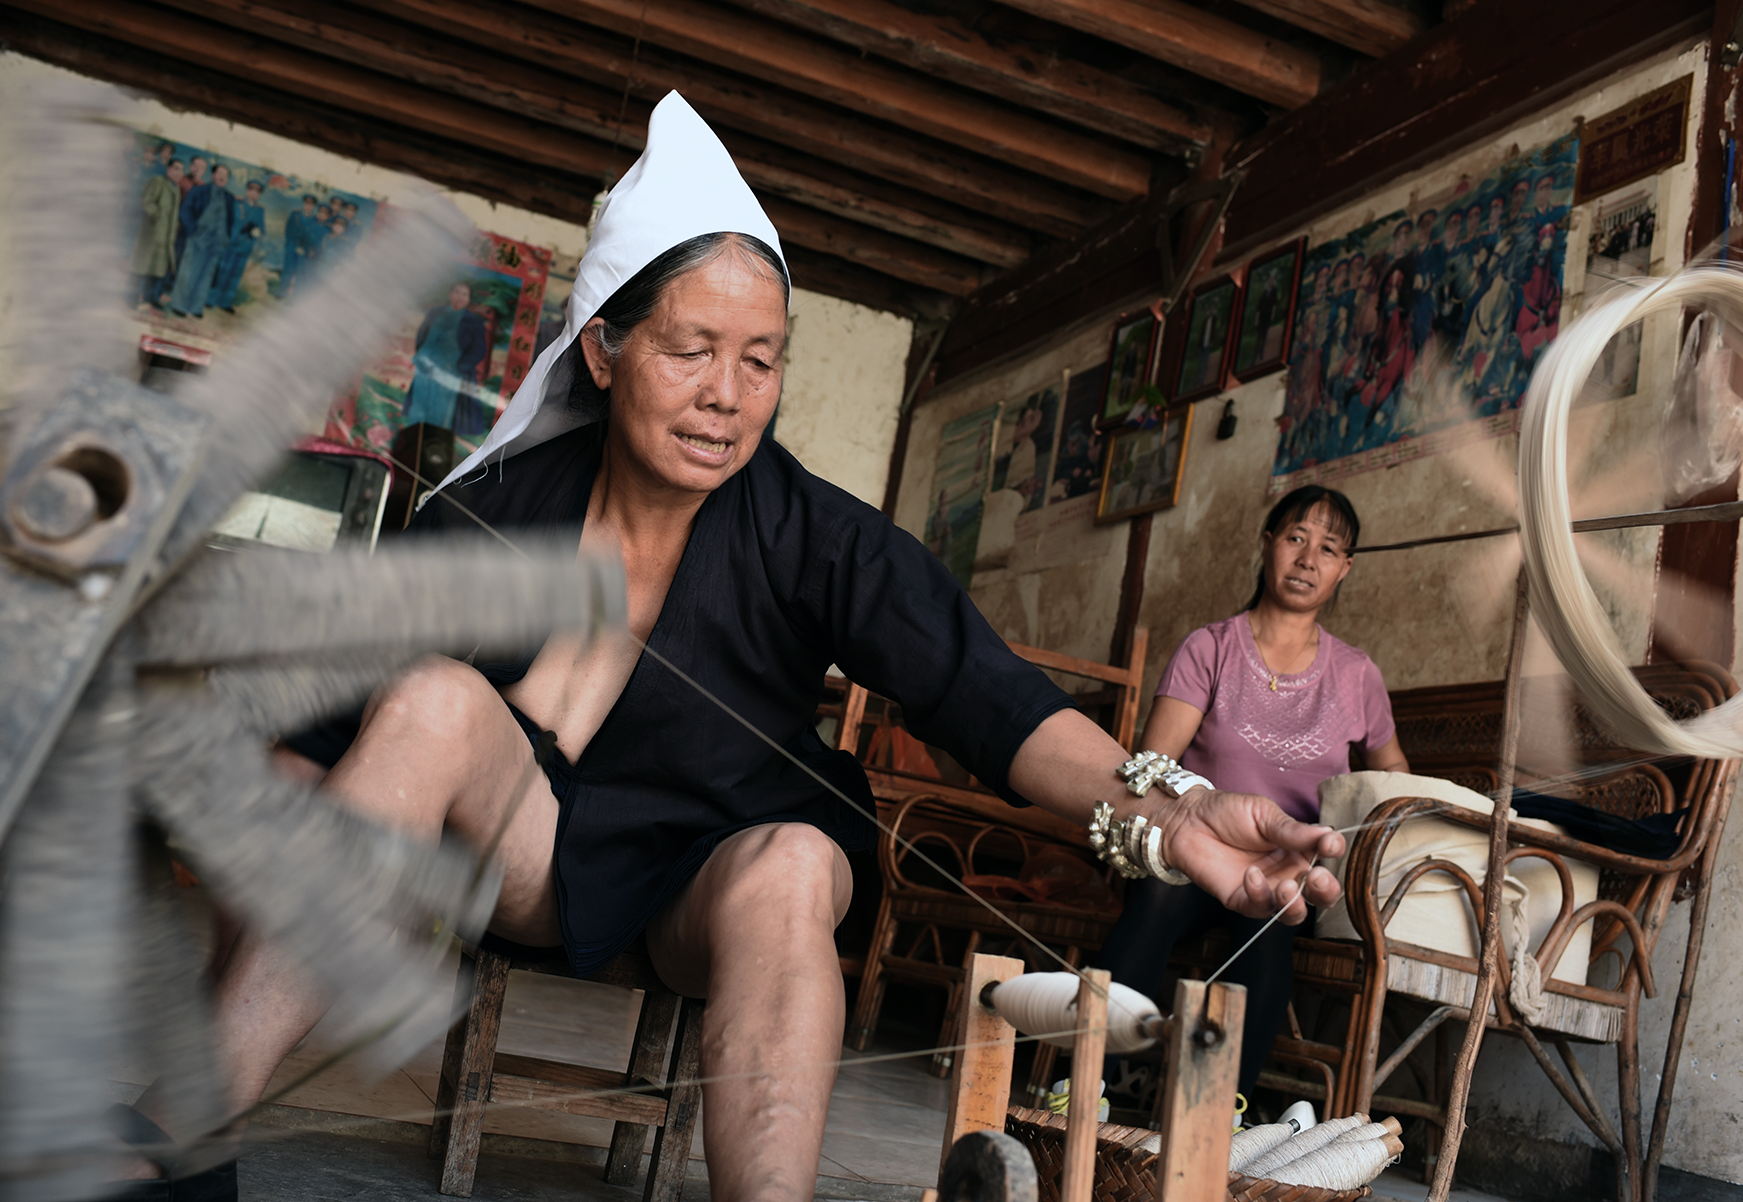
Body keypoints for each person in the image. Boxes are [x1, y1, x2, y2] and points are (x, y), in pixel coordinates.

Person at [115, 92, 1345, 1202]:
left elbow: (993, 697)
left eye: (761, 361)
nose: (728, 394)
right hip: (531, 862)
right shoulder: (495, 515)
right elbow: (314, 739)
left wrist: (1177, 812)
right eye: (691, 349)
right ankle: (175, 1144)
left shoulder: (813, 533)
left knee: (798, 867)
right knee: (431, 700)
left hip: (712, 880)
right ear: (604, 349)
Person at [1094, 485, 1407, 1109]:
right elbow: (1153, 767)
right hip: (1193, 853)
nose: (1308, 559)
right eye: (1295, 538)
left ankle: (1217, 1112)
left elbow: (1393, 781)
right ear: (1268, 544)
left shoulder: (1357, 675)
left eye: (1329, 548)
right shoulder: (1210, 648)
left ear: (1345, 568)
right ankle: (1091, 1082)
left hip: (1284, 869)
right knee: (1155, 896)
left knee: (1272, 915)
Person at [403, 281, 487, 428]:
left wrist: (461, 366)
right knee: (420, 402)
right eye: (457, 292)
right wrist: (423, 356)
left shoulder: (474, 321)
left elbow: (479, 350)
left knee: (442, 408)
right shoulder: (434, 312)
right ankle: (413, 433)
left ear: (468, 299)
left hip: (452, 369)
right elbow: (422, 335)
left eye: (464, 294)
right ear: (450, 294)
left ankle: (436, 438)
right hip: (426, 366)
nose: (459, 297)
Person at [167, 163, 234, 318]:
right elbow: (185, 211)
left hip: (217, 242)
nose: (223, 177)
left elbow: (230, 220)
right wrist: (193, 231)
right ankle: (179, 305)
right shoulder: (200, 191)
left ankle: (196, 308)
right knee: (188, 273)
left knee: (206, 276)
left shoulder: (229, 198)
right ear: (213, 175)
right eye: (220, 173)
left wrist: (226, 238)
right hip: (198, 239)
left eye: (226, 175)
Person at [129, 158, 182, 308]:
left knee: (157, 270)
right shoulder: (158, 181)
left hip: (165, 239)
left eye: (181, 170)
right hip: (152, 234)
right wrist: (156, 214)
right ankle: (131, 297)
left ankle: (150, 297)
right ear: (169, 169)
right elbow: (146, 200)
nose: (179, 173)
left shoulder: (176, 189)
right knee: (141, 268)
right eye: (176, 168)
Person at [206, 179, 264, 314]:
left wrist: (257, 232)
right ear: (247, 190)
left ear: (259, 194)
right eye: (251, 190)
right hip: (230, 244)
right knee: (222, 271)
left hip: (245, 247)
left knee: (235, 276)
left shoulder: (260, 210)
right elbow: (227, 221)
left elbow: (262, 229)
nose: (253, 194)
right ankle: (211, 299)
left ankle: (226, 302)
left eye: (257, 192)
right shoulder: (236, 203)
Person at [275, 194, 319, 299]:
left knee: (300, 273)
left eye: (311, 204)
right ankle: (281, 293)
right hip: (292, 247)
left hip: (303, 250)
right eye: (306, 203)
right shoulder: (295, 215)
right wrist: (289, 246)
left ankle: (296, 297)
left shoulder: (315, 220)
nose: (308, 206)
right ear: (303, 204)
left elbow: (313, 236)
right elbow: (288, 230)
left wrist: (306, 248)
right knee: (287, 271)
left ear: (313, 206)